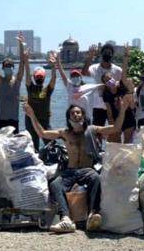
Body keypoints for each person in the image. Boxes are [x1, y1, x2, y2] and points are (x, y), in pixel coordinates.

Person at [23, 94, 133, 233]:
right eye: (73, 113)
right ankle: (66, 219)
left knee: (96, 179)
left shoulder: (92, 130)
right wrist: (32, 115)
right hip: (70, 171)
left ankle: (93, 214)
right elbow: (43, 133)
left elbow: (115, 128)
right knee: (55, 184)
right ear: (69, 117)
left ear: (83, 115)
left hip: (87, 169)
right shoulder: (65, 133)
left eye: (78, 112)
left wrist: (123, 109)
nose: (76, 115)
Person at [101, 45, 136, 142]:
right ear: (105, 84)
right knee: (115, 143)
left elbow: (124, 72)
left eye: (110, 78)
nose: (110, 81)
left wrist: (126, 56)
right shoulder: (106, 93)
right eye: (107, 81)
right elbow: (108, 110)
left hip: (129, 118)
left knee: (128, 145)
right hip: (117, 120)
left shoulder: (122, 86)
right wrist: (112, 124)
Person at [82, 43, 122, 126]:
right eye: (105, 52)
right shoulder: (94, 68)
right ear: (101, 54)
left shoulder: (118, 70)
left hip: (113, 105)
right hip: (98, 104)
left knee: (114, 128)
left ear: (112, 55)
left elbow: (122, 87)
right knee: (97, 131)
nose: (107, 54)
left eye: (109, 53)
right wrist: (90, 57)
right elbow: (84, 73)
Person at [24, 53, 57, 152]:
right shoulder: (30, 87)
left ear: (44, 78)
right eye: (37, 76)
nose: (39, 78)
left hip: (44, 121)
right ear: (34, 77)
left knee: (51, 145)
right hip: (31, 121)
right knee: (34, 147)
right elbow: (27, 77)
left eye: (41, 77)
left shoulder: (47, 90)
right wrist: (26, 63)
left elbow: (53, 79)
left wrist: (53, 67)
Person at [56, 55, 101, 122]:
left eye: (77, 75)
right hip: (72, 119)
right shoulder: (70, 87)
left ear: (80, 77)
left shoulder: (88, 87)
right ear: (70, 79)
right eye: (73, 76)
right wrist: (58, 61)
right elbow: (62, 74)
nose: (75, 77)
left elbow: (102, 85)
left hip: (86, 119)